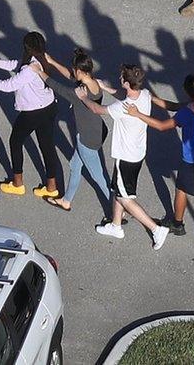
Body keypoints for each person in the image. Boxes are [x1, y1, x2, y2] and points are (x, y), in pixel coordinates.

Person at [125, 75, 194, 237]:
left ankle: (177, 224)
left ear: (184, 90)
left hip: (192, 160)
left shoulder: (186, 112)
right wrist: (152, 98)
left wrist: (137, 114)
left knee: (181, 189)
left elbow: (161, 126)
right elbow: (174, 106)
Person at [79, 64, 169, 250]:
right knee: (119, 191)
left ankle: (155, 228)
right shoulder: (143, 94)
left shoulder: (122, 107)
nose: (119, 79)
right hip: (136, 153)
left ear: (127, 83)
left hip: (125, 156)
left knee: (125, 198)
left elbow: (97, 109)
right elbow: (123, 95)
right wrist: (107, 88)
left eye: (121, 78)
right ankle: (116, 225)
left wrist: (83, 98)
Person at [0, 32, 59, 198]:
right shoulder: (40, 60)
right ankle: (51, 187)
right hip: (48, 107)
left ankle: (17, 183)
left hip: (33, 112)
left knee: (15, 141)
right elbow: (13, 65)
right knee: (46, 145)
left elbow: (7, 86)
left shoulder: (27, 69)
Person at [30, 49, 111, 216]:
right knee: (75, 165)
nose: (73, 73)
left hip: (87, 138)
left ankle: (117, 210)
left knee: (98, 176)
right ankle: (66, 201)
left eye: (75, 70)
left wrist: (39, 72)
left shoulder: (79, 93)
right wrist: (52, 62)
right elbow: (70, 76)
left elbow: (57, 87)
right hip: (97, 131)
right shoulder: (93, 83)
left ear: (80, 71)